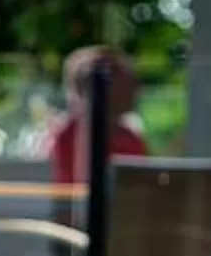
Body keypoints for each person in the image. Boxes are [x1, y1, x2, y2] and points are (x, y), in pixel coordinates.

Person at [47, 44, 149, 189]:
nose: (135, 88)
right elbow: (72, 194)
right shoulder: (67, 136)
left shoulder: (131, 139)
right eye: (117, 73)